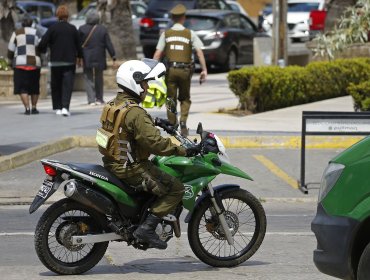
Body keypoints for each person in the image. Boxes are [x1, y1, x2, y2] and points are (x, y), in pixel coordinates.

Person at [99, 58, 199, 249]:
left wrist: (155, 121)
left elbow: (127, 125)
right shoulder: (135, 113)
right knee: (176, 189)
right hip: (132, 168)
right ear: (134, 83)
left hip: (113, 163)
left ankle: (142, 215)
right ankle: (147, 228)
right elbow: (154, 143)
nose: (146, 87)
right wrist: (183, 150)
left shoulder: (114, 104)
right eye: (144, 83)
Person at [153, 4, 208, 137]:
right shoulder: (190, 34)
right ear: (183, 18)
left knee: (170, 99)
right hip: (185, 71)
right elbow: (199, 53)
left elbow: (157, 54)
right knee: (185, 98)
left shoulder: (166, 34)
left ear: (172, 18)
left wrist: (151, 71)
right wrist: (204, 70)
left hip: (170, 71)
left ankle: (173, 125)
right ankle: (183, 122)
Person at [38, 5, 82, 117]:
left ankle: (57, 107)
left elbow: (43, 42)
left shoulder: (52, 28)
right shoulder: (72, 29)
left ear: (57, 15)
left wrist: (42, 51)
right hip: (69, 61)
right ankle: (65, 107)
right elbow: (79, 45)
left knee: (56, 85)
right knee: (67, 85)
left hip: (55, 61)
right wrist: (80, 57)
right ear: (67, 15)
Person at [79, 11, 116, 106]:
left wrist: (78, 56)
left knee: (88, 77)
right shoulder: (102, 29)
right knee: (99, 77)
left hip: (87, 57)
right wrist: (113, 56)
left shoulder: (82, 29)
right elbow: (108, 43)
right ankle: (99, 98)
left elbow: (78, 45)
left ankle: (91, 99)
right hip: (99, 57)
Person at [7, 15, 41, 115]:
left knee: (22, 88)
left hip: (20, 64)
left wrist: (9, 61)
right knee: (35, 87)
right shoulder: (37, 32)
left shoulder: (16, 33)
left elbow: (10, 49)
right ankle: (34, 108)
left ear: (22, 23)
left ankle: (27, 108)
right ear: (31, 23)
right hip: (34, 63)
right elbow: (41, 47)